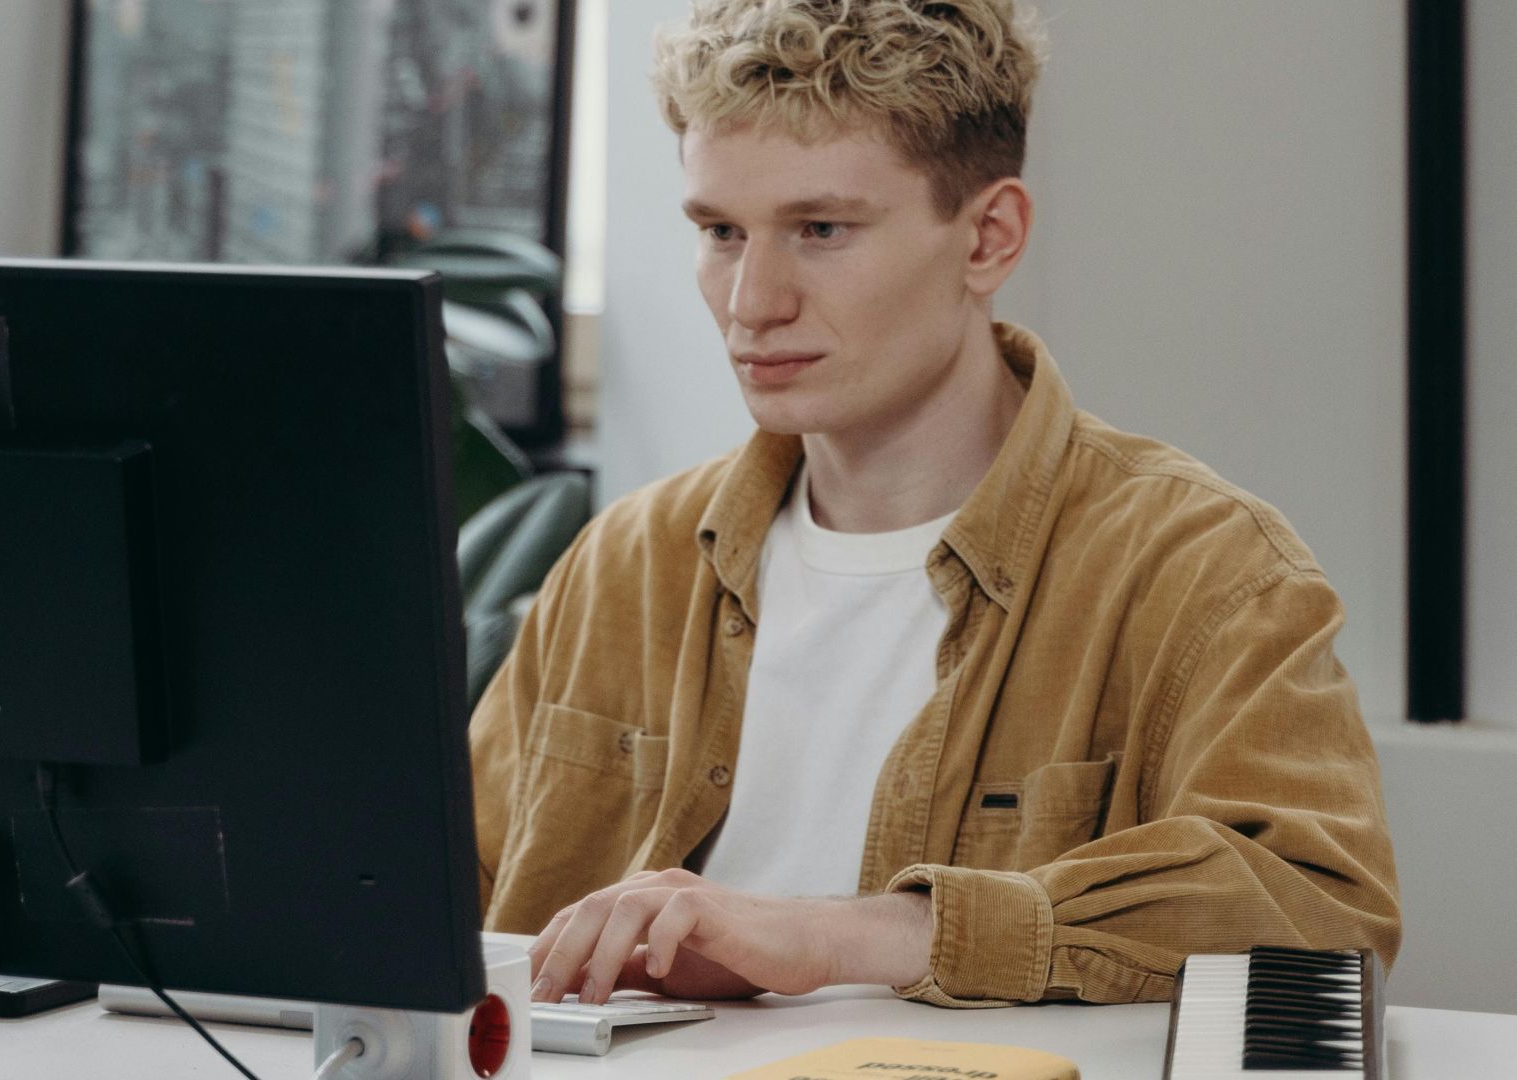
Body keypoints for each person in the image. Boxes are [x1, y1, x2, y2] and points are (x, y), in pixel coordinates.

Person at [471, 0, 1400, 1009]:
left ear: (988, 238)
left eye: (820, 230)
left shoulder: (1205, 570)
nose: (751, 301)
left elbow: (1320, 915)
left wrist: (861, 932)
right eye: (720, 232)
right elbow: (430, 908)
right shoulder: (626, 563)